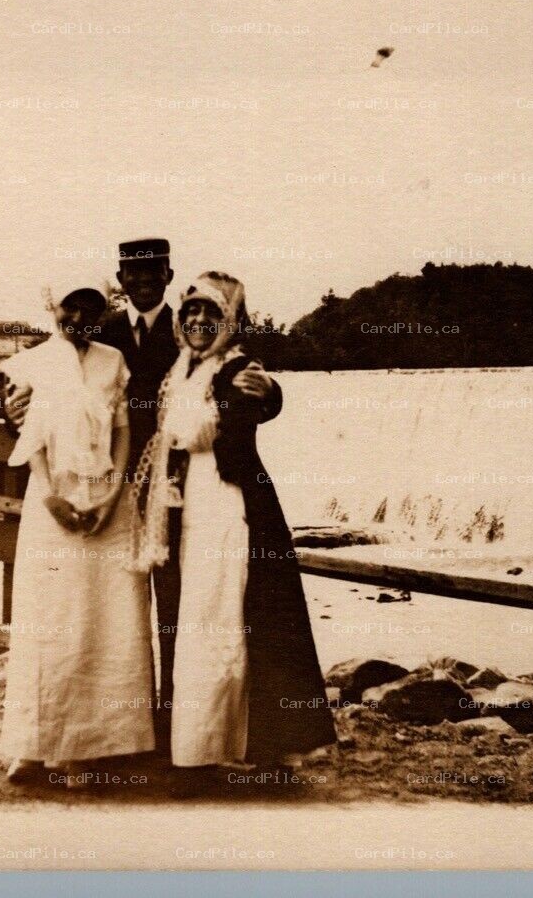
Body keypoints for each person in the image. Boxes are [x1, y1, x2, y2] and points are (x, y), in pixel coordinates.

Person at [7, 238, 282, 757]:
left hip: (175, 498)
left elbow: (242, 376)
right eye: (132, 274)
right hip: (103, 496)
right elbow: (39, 402)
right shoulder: (98, 331)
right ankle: (125, 734)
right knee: (112, 618)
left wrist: (270, 394)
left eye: (153, 273)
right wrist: (12, 415)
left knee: (182, 610)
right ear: (120, 277)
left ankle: (178, 735)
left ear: (168, 274)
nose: (142, 282)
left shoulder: (190, 327)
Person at [126, 272, 336, 776]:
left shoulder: (238, 367)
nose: (199, 322)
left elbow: (239, 412)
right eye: (192, 313)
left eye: (211, 315)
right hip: (178, 510)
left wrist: (269, 393)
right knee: (183, 621)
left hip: (229, 504)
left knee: (227, 618)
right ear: (180, 320)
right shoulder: (176, 368)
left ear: (229, 322)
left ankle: (235, 746)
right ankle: (186, 745)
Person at [0, 274, 155, 787]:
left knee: (106, 624)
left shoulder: (113, 360)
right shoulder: (32, 363)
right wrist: (50, 497)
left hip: (110, 502)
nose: (78, 319)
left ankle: (89, 748)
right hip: (54, 500)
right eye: (69, 308)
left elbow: (126, 430)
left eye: (89, 308)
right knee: (50, 620)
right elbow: (32, 439)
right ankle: (33, 743)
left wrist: (114, 497)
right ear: (52, 307)